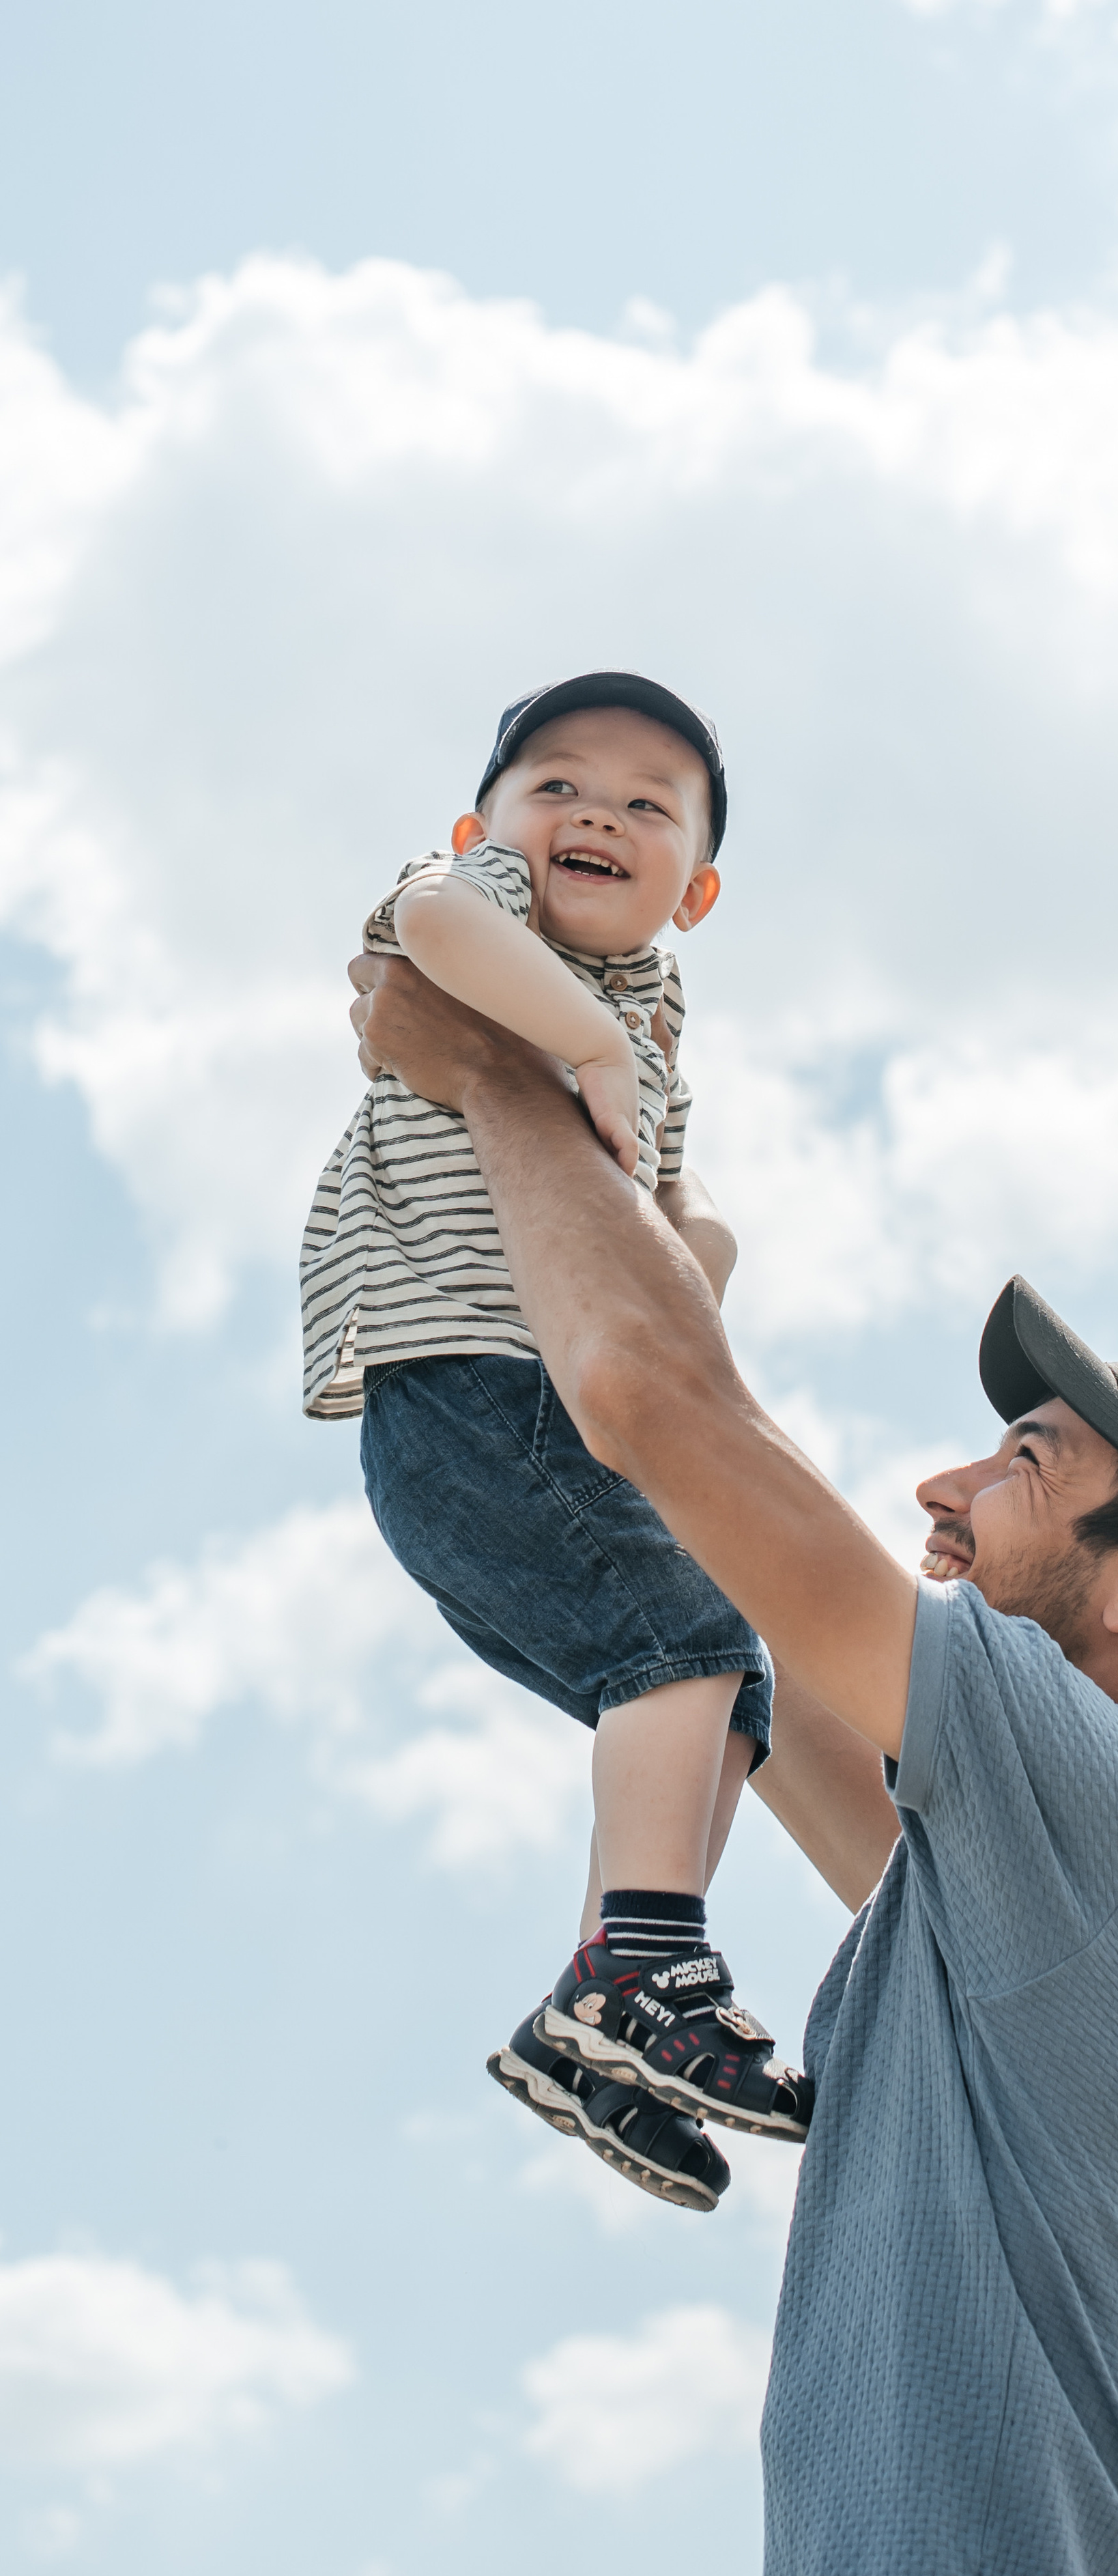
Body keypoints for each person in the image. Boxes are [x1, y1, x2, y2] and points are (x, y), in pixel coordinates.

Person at [346, 948, 1118, 2576]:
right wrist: (637, 1195)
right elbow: (707, 1548)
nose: (943, 1485)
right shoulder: (1024, 1902)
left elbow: (655, 1409)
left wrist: (492, 1079)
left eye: (1024, 1463)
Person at [300, 672, 811, 2219]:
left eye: (648, 807)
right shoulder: (481, 914)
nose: (596, 812)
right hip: (461, 1383)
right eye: (558, 785)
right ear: (487, 824)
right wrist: (580, 1045)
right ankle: (648, 1963)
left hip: (545, 1417)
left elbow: (680, 1182)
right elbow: (440, 934)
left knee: (726, 1687)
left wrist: (694, 1233)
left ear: (695, 891)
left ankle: (600, 2019)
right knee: (679, 1644)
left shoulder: (652, 1008)